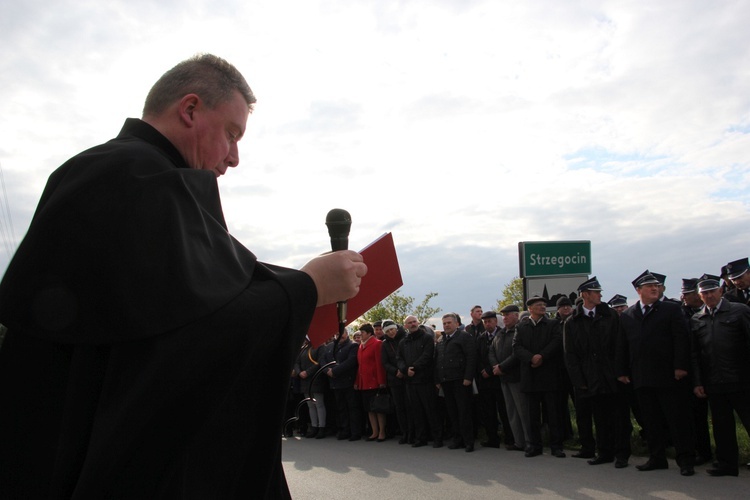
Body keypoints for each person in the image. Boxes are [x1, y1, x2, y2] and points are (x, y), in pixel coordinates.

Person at [0, 54, 366, 499]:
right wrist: (308, 287)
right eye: (231, 134)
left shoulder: (128, 175)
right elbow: (188, 337)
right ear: (190, 109)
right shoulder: (130, 176)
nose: (234, 158)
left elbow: (181, 314)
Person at [618, 271, 695, 476]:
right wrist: (623, 371)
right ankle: (657, 458)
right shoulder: (628, 315)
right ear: (638, 290)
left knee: (676, 420)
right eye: (649, 286)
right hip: (642, 376)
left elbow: (681, 339)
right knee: (650, 421)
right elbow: (624, 345)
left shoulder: (670, 309)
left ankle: (685, 460)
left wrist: (680, 366)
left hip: (668, 375)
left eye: (656, 286)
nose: (655, 288)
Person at [564, 277, 632, 469]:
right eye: (596, 292)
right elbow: (570, 354)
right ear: (585, 295)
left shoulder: (610, 315)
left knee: (619, 417)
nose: (600, 295)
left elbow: (620, 346)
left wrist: (620, 371)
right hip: (590, 377)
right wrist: (579, 380)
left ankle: (622, 454)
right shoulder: (572, 322)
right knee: (600, 418)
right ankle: (605, 452)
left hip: (612, 375)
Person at [691, 274, 750, 477]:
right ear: (700, 296)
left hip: (741, 379)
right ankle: (727, 464)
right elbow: (695, 355)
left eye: (712, 291)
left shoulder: (739, 311)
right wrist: (698, 382)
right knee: (722, 427)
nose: (709, 296)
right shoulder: (697, 318)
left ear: (720, 291)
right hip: (714, 381)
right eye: (704, 293)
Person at [513, 296, 566, 458]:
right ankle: (534, 445)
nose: (542, 307)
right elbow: (516, 347)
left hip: (549, 375)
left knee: (552, 413)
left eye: (544, 305)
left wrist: (541, 356)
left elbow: (557, 342)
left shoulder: (552, 324)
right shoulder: (522, 327)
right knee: (532, 414)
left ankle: (556, 446)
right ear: (530, 309)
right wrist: (531, 358)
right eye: (538, 305)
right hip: (530, 376)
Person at [488, 304, 530, 452]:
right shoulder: (501, 333)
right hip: (503, 378)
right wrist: (496, 367)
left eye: (507, 315)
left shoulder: (520, 331)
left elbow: (517, 353)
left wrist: (502, 367)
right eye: (503, 316)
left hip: (516, 377)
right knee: (511, 412)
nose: (504, 318)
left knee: (523, 411)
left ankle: (529, 441)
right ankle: (519, 442)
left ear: (516, 316)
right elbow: (491, 351)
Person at [398, 315, 443, 448]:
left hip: (425, 380)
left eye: (414, 322)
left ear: (418, 323)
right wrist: (406, 370)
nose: (412, 324)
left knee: (431, 411)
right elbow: (399, 358)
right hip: (410, 382)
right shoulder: (403, 341)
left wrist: (414, 368)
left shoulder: (427, 338)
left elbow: (427, 356)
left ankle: (437, 438)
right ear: (405, 326)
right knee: (416, 412)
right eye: (409, 323)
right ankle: (420, 438)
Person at [681, 277, 712, 465]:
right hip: (692, 372)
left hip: (716, 369)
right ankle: (703, 451)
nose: (684, 297)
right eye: (683, 294)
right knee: (696, 416)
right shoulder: (681, 313)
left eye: (688, 294)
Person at [435, 313, 477, 452]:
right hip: (446, 381)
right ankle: (457, 439)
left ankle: (468, 441)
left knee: (464, 412)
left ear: (457, 324)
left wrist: (468, 377)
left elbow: (471, 358)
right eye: (444, 323)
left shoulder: (464, 337)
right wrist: (438, 379)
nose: (446, 325)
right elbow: (437, 361)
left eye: (449, 323)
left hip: (461, 380)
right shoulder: (441, 339)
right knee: (452, 413)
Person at [475, 310, 512, 448]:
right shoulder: (481, 338)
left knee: (504, 410)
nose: (487, 324)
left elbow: (502, 355)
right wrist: (482, 370)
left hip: (499, 378)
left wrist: (491, 370)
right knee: (488, 412)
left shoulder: (503, 334)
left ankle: (509, 437)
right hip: (485, 381)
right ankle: (492, 438)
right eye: (485, 322)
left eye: (490, 321)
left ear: (496, 322)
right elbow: (477, 357)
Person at [322, 329, 363, 441]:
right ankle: (344, 430)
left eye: (342, 333)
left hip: (348, 382)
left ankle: (355, 432)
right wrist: (327, 371)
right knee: (341, 408)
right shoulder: (330, 347)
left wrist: (335, 371)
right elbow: (323, 361)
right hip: (335, 383)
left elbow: (351, 361)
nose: (340, 336)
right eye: (337, 334)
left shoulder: (352, 346)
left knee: (352, 408)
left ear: (346, 333)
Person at [354, 323, 387, 441]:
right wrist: (357, 381)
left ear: (369, 333)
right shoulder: (361, 346)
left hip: (374, 381)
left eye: (362, 333)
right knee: (369, 409)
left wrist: (381, 381)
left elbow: (379, 364)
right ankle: (374, 431)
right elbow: (360, 366)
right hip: (364, 382)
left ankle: (382, 432)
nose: (360, 335)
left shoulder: (377, 344)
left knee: (378, 408)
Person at [294, 337, 328, 439]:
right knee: (310, 405)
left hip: (316, 379)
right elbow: (297, 362)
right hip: (304, 380)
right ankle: (314, 427)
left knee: (319, 404)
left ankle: (321, 427)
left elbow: (319, 362)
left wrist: (307, 372)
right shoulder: (304, 348)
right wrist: (299, 372)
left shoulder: (320, 347)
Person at [381, 319, 409, 442]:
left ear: (396, 328)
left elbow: (409, 356)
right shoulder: (385, 344)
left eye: (392, 329)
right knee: (400, 408)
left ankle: (414, 432)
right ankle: (405, 433)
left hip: (407, 376)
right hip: (394, 379)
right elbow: (385, 362)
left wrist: (402, 370)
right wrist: (395, 371)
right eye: (388, 331)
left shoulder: (406, 338)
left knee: (410, 406)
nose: (391, 332)